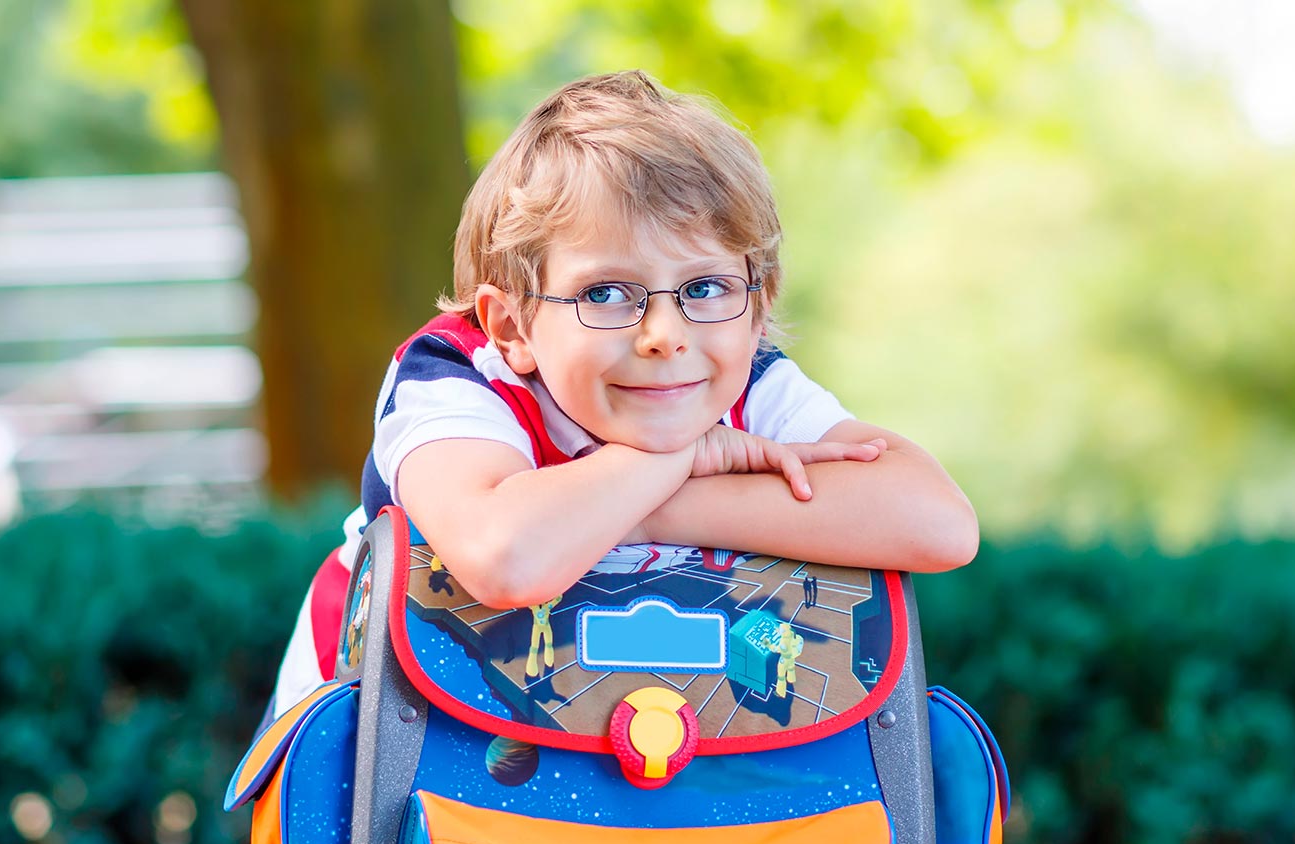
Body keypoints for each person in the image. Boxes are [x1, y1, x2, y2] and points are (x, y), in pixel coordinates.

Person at [267, 70, 977, 716]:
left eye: (705, 287)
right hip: (390, 749)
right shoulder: (456, 379)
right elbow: (508, 557)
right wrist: (680, 456)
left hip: (630, 755)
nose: (665, 335)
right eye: (606, 293)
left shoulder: (745, 377)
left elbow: (938, 523)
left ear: (757, 310)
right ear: (511, 326)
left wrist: (643, 511)